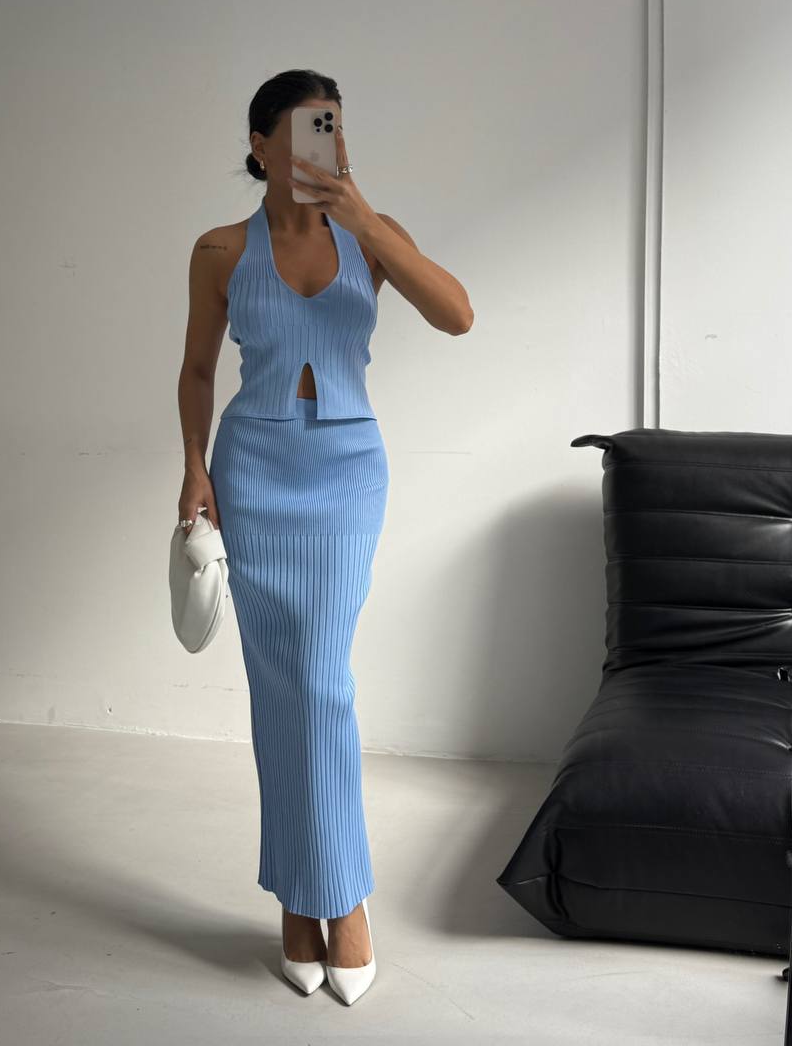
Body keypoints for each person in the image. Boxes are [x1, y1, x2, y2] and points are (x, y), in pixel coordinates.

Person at [176, 68, 473, 1003]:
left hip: (346, 474)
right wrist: (194, 472)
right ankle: (300, 900)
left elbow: (458, 316)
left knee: (320, 682)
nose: (329, 144)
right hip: (253, 472)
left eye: (336, 128)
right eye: (310, 127)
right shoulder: (221, 249)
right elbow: (196, 371)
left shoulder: (371, 235)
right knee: (282, 691)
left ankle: (339, 897)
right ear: (261, 143)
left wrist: (365, 216)